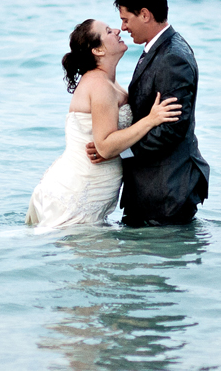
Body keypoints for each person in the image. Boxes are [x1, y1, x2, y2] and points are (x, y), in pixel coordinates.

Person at [26, 19, 181, 229]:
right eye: (108, 31)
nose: (117, 30)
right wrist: (151, 120)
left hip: (91, 187)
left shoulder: (108, 82)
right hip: (81, 189)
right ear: (98, 50)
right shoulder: (99, 85)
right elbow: (105, 146)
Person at [86, 0, 210, 226]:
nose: (123, 27)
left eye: (126, 20)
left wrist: (115, 150)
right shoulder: (160, 49)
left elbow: (171, 129)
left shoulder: (173, 58)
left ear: (145, 15)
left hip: (167, 189)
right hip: (154, 188)